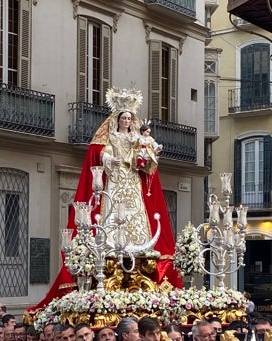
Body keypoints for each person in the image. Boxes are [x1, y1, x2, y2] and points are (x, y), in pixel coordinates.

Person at [30, 88, 181, 312]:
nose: (127, 121)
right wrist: (110, 158)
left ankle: (136, 245)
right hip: (115, 179)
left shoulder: (137, 136)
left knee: (136, 213)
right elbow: (100, 152)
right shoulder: (110, 136)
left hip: (132, 181)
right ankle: (110, 244)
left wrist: (148, 154)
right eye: (124, 118)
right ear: (117, 119)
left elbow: (148, 153)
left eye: (130, 118)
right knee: (111, 210)